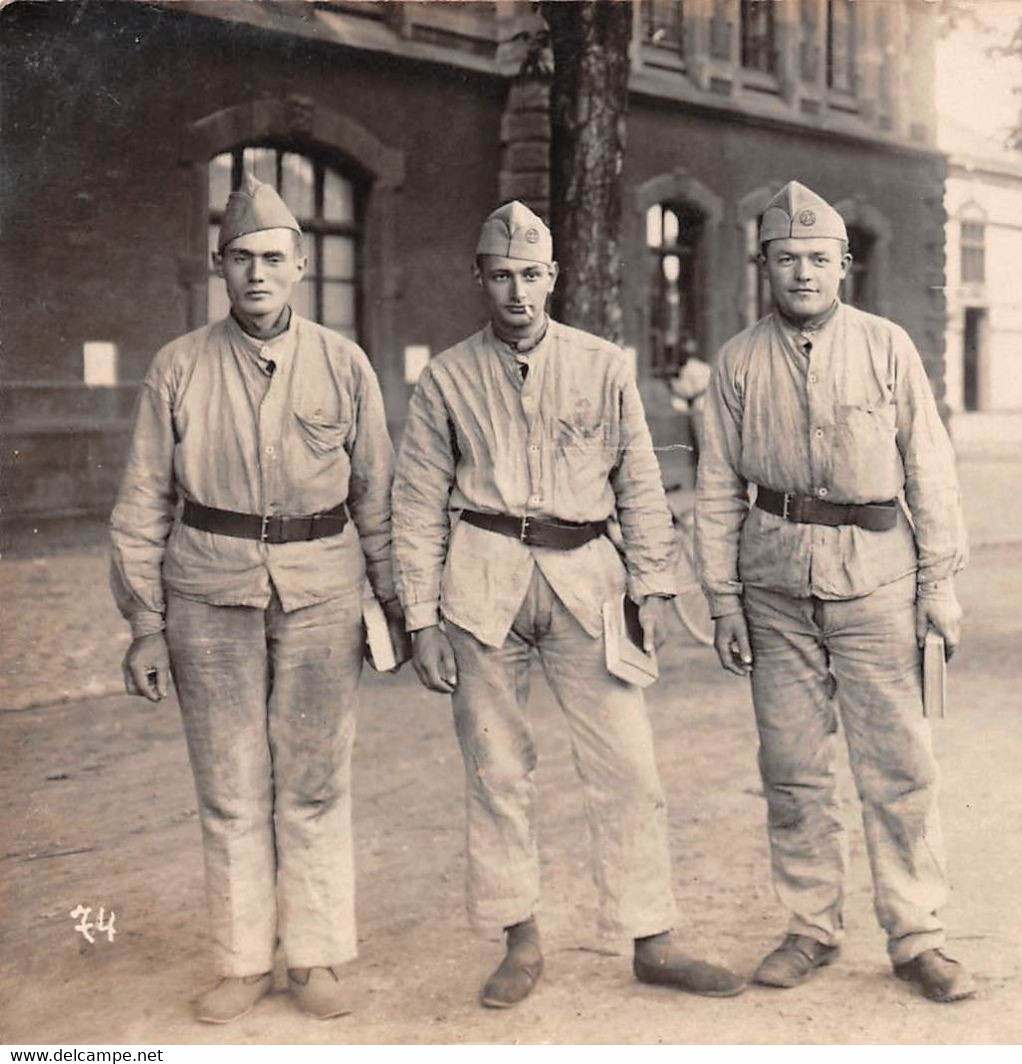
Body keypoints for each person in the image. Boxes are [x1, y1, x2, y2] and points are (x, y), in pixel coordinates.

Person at [391, 201, 744, 1009]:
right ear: (479, 278)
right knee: (497, 770)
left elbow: (639, 482)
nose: (518, 292)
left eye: (532, 275)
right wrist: (419, 620)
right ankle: (519, 937)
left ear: (553, 278)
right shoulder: (447, 375)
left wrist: (652, 586)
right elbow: (415, 503)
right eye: (502, 275)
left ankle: (650, 937)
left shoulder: (600, 365)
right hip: (481, 587)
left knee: (627, 765)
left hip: (588, 579)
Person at [109, 175, 402, 1024]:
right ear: (218, 266)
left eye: (274, 258)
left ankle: (311, 955)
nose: (257, 274)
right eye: (240, 259)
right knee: (231, 787)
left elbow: (376, 497)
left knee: (312, 782)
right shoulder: (179, 367)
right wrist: (144, 626)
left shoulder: (345, 365)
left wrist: (394, 605)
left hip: (322, 593)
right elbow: (140, 502)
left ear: (303, 266)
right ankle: (242, 960)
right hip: (208, 591)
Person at [695, 180, 975, 1003]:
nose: (803, 274)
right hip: (773, 585)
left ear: (843, 265)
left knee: (897, 764)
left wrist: (939, 589)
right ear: (764, 267)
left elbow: (930, 469)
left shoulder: (888, 347)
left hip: (876, 582)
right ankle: (811, 924)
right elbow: (717, 487)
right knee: (791, 767)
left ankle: (918, 932)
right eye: (787, 260)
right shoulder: (737, 362)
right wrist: (720, 600)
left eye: (818, 260)